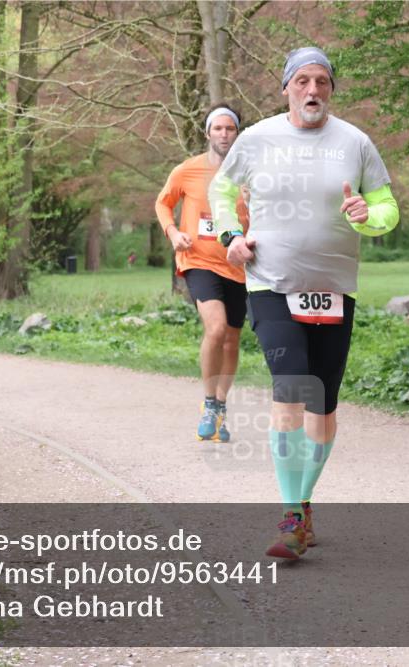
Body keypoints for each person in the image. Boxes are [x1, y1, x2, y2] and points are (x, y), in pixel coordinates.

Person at [209, 46, 399, 560]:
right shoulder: (257, 138)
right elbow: (221, 190)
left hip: (336, 288)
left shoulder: (355, 142)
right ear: (286, 87)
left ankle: (304, 499)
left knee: (323, 406)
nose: (312, 90)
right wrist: (231, 235)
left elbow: (387, 209)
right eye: (302, 81)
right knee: (290, 390)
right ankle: (292, 514)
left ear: (331, 89)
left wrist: (368, 213)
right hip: (271, 282)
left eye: (321, 82)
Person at [155, 103, 249, 442]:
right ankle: (209, 403)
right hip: (197, 260)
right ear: (208, 132)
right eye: (218, 128)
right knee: (217, 328)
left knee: (233, 339)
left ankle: (221, 406)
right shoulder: (188, 170)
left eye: (230, 129)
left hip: (238, 266)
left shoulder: (249, 172)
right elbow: (163, 203)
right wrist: (173, 233)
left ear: (237, 133)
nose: (224, 134)